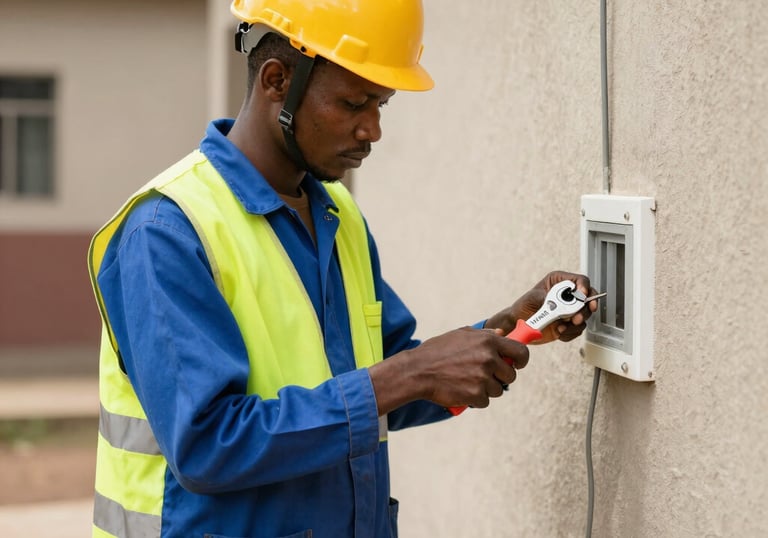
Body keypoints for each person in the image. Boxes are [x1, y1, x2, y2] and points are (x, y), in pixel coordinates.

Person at [87, 1, 598, 536]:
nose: (372, 130)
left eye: (381, 104)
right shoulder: (168, 232)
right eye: (355, 103)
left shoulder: (337, 214)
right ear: (277, 81)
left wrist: (507, 326)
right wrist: (411, 374)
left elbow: (384, 379)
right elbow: (207, 446)